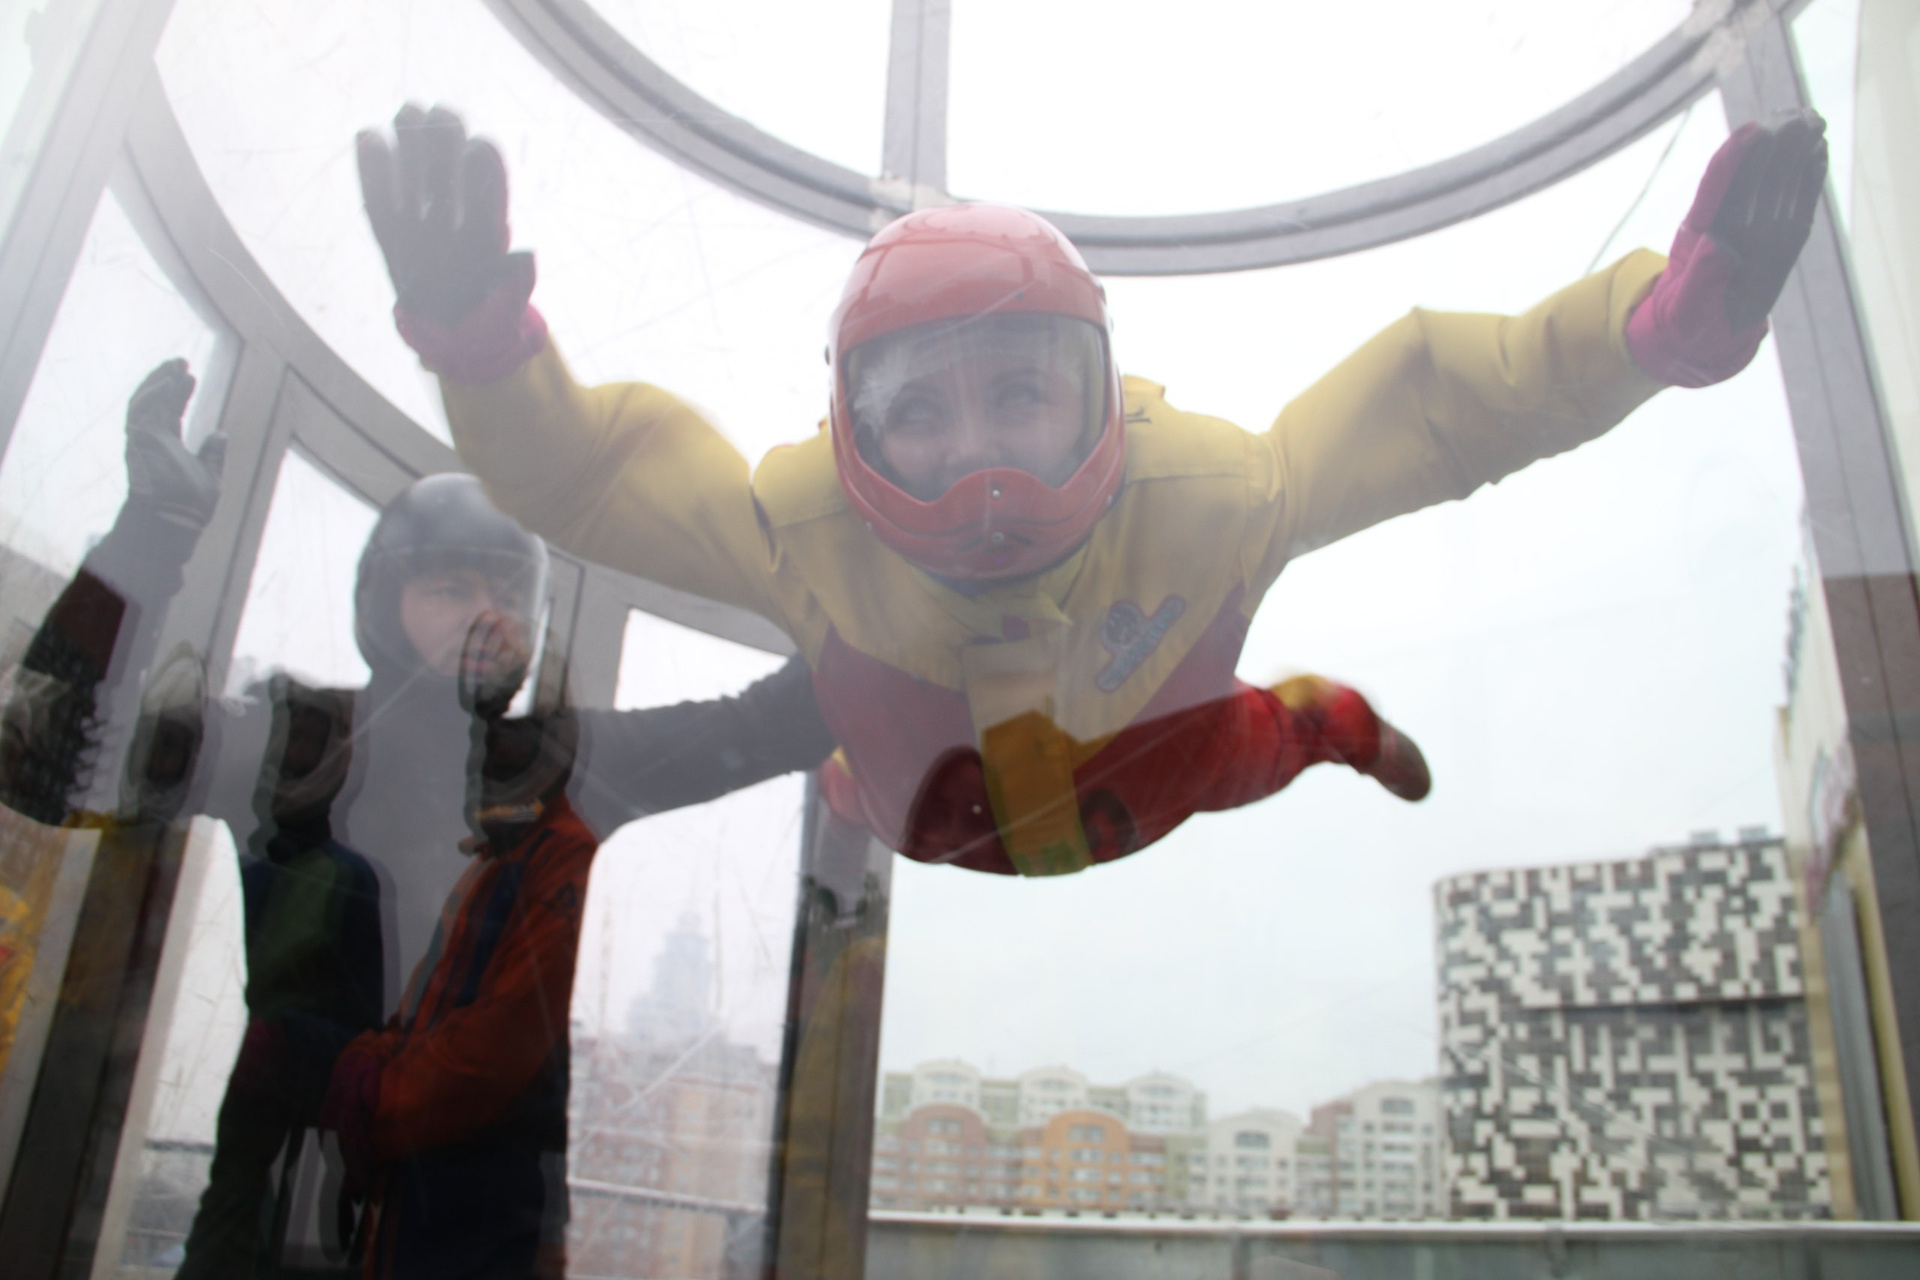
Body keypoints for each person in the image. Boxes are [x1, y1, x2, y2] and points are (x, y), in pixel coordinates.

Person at [355, 105, 1826, 878]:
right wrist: (488, 348)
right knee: (892, 771)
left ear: (1098, 391)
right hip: (973, 794)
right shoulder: (806, 526)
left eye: (1019, 392)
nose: (977, 457)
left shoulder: (1210, 493)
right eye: (919, 409)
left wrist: (1648, 332)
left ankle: (1342, 726)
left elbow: (1441, 401)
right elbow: (596, 473)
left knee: (1284, 733)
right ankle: (856, 784)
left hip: (1140, 770)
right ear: (850, 426)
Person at [0, 361, 837, 1276]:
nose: (487, 616)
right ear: (382, 603)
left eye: (509, 596)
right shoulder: (295, 743)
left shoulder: (559, 764)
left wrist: (885, 586)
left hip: (477, 1236)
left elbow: (768, 726)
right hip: (281, 1222)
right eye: (450, 588)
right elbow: (45, 762)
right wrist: (146, 537)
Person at [319, 632, 591, 1280]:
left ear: (555, 739)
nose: (490, 744)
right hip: (429, 1202)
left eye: (512, 727)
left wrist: (380, 1103)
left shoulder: (562, 860)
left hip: (490, 1214)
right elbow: (424, 1013)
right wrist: (369, 1058)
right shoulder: (498, 863)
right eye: (483, 723)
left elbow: (495, 1051)